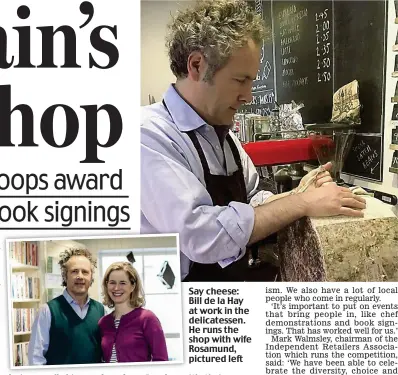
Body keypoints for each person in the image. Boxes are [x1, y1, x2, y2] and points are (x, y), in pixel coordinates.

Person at [140, 0, 366, 282]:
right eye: (240, 80)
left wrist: (300, 194)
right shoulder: (148, 134)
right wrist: (301, 203)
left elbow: (254, 200)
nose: (248, 96)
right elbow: (203, 236)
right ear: (197, 65)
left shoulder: (226, 138)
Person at [28, 248, 105, 365]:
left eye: (85, 272)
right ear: (65, 276)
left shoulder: (101, 310)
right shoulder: (48, 310)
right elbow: (35, 358)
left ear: (91, 277)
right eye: (74, 271)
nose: (80, 276)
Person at [98, 262, 168, 363]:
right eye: (112, 282)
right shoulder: (103, 323)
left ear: (132, 286)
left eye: (122, 283)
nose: (116, 288)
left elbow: (161, 360)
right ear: (106, 285)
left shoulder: (147, 318)